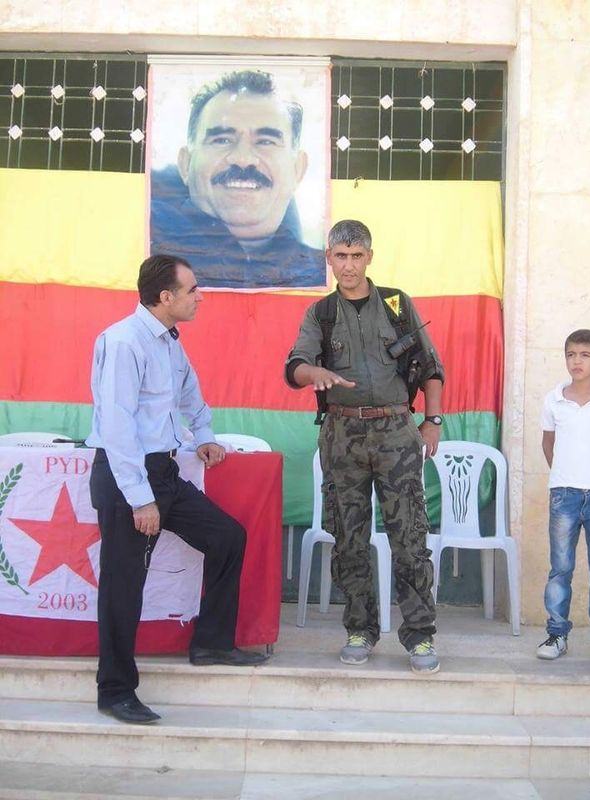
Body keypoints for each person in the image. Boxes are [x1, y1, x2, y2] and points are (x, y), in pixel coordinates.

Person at [87, 254, 267, 726]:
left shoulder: (167, 341)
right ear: (165, 297)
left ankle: (211, 644)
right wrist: (140, 497)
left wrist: (204, 434)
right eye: (192, 290)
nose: (199, 297)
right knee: (124, 583)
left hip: (164, 472)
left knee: (227, 537)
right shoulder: (124, 342)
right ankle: (115, 691)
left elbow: (189, 392)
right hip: (128, 477)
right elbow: (117, 426)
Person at [285, 219, 445, 673]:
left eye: (357, 256)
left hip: (396, 431)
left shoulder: (397, 304)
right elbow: (295, 366)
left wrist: (432, 421)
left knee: (409, 536)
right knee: (349, 538)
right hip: (342, 435)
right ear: (329, 259)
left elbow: (431, 367)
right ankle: (360, 629)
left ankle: (420, 635)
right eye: (341, 256)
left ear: (369, 257)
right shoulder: (321, 313)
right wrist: (314, 374)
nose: (349, 265)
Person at [151, 70, 325, 290]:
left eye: (266, 141)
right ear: (185, 164)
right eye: (222, 139)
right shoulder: (145, 236)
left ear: (298, 169)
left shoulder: (323, 273)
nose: (243, 159)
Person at [536, 329, 590, 666]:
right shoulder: (554, 399)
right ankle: (557, 634)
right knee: (561, 567)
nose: (577, 361)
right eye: (571, 354)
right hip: (564, 495)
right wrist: (563, 475)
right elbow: (548, 442)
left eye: (585, 355)